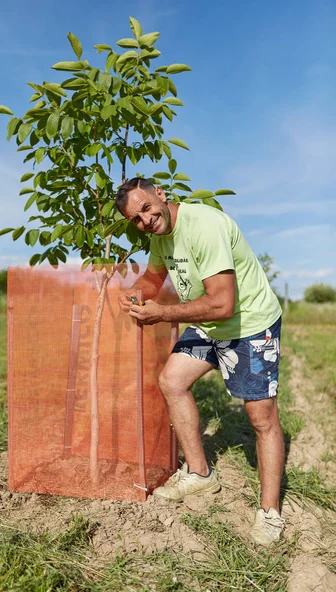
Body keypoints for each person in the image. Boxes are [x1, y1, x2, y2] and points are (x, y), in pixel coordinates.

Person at [115, 177, 285, 546]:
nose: (145, 220)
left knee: (261, 418)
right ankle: (200, 474)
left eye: (146, 208)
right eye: (136, 219)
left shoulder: (203, 226)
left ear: (160, 194)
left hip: (250, 325)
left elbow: (223, 303)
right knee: (172, 381)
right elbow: (153, 279)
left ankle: (270, 512)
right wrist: (132, 296)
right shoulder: (160, 237)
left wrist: (162, 314)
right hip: (210, 325)